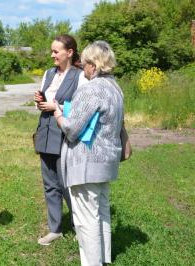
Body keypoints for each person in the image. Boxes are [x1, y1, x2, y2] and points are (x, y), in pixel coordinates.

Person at [54, 40, 123, 265]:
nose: (83, 68)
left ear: (93, 65)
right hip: (107, 162)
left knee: (86, 219)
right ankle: (103, 259)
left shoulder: (91, 89)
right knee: (101, 213)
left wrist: (58, 114)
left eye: (84, 64)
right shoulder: (115, 88)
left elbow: (72, 129)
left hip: (87, 163)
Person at [34, 34, 88, 246]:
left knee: (68, 184)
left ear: (70, 52)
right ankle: (55, 229)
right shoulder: (48, 73)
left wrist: (58, 107)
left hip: (66, 134)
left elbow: (84, 107)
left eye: (56, 51)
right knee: (50, 184)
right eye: (52, 51)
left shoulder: (80, 76)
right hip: (46, 132)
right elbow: (44, 100)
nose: (52, 55)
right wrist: (39, 101)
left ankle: (80, 226)